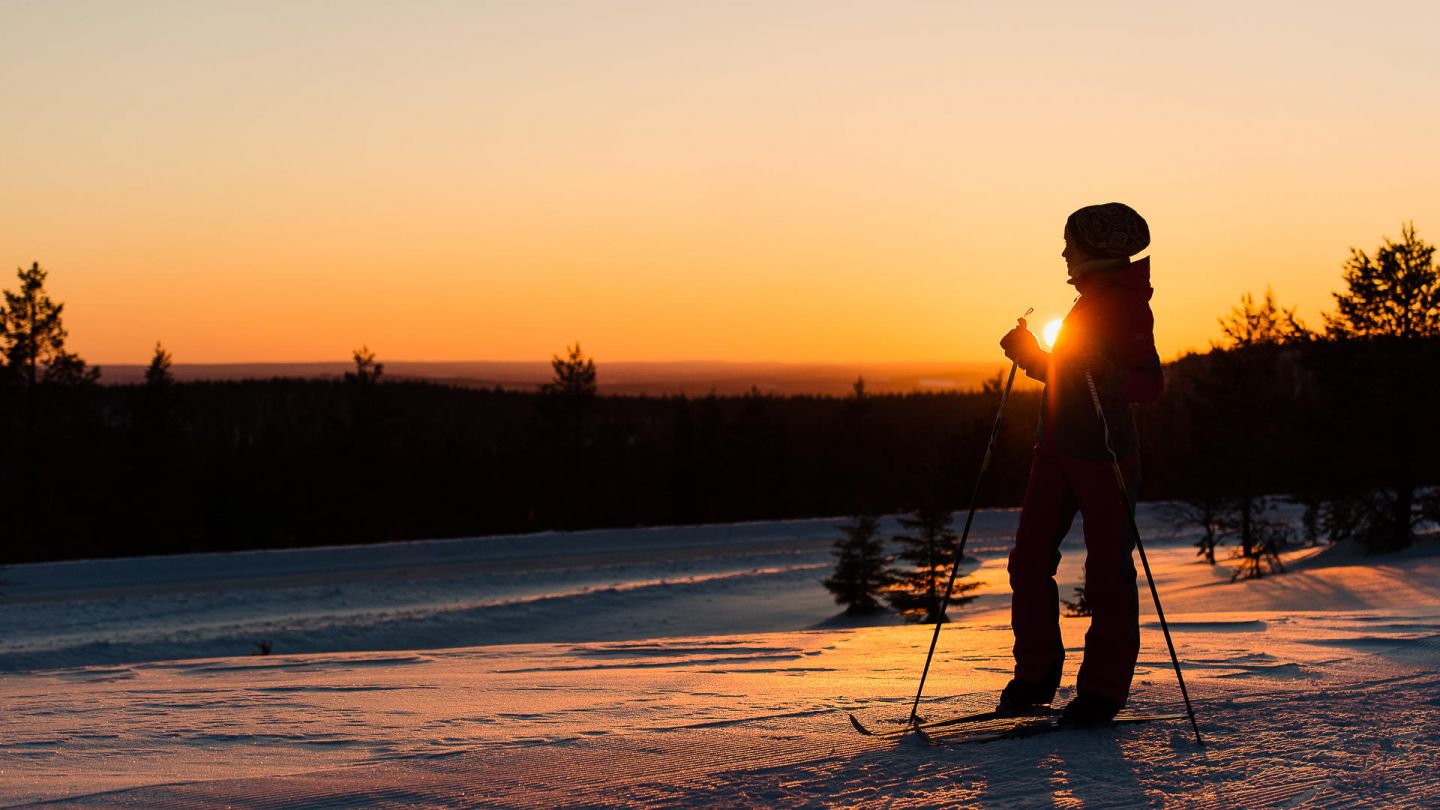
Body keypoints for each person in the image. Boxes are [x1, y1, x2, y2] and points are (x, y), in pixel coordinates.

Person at [996, 202, 1163, 726]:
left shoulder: (1124, 306)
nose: (1064, 253)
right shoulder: (1089, 302)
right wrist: (1028, 355)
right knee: (1028, 563)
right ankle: (1036, 678)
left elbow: (1148, 384)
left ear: (1094, 252)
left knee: (1106, 572)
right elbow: (1073, 377)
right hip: (1057, 449)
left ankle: (1102, 692)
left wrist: (1107, 374)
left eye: (1072, 245)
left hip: (1105, 456)